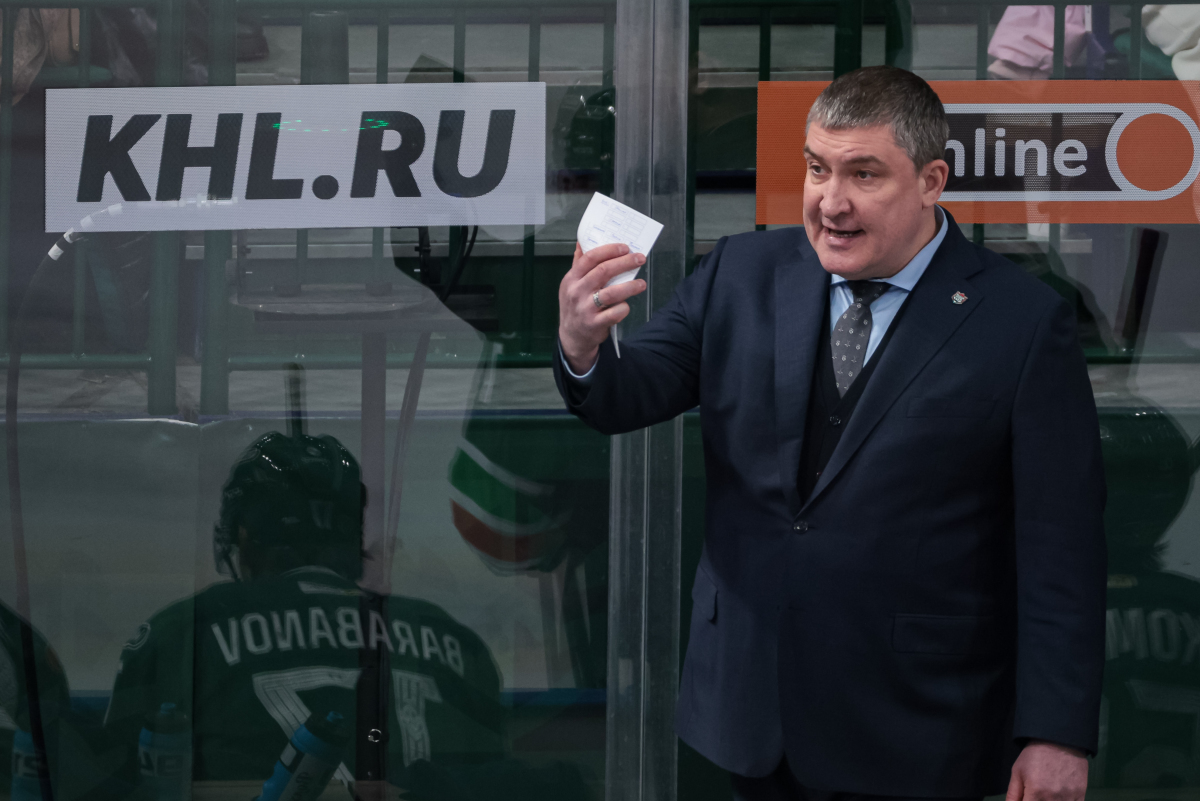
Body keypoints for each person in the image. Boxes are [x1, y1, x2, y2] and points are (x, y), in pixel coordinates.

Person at [554, 66, 1107, 800]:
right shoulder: (740, 272)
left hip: (920, 726)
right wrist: (583, 344)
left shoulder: (1022, 321)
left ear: (931, 181)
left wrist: (1056, 732)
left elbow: (1060, 546)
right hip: (753, 711)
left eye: (863, 174)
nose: (831, 201)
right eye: (817, 169)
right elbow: (627, 392)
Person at [103, 431, 509, 799]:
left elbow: (118, 784)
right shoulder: (454, 639)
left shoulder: (181, 632)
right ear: (352, 537)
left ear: (244, 535)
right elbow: (494, 779)